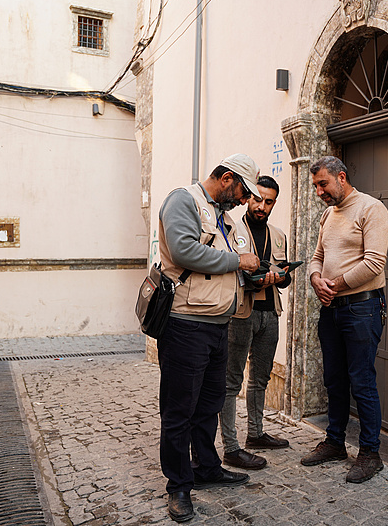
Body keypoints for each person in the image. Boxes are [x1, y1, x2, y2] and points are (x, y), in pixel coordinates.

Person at [156, 154, 262, 522]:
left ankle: (206, 468)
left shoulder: (224, 216)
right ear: (227, 177)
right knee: (178, 410)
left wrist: (258, 274)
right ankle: (179, 486)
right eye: (243, 192)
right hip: (186, 324)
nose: (245, 200)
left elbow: (224, 262)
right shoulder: (183, 200)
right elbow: (185, 250)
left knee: (209, 406)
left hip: (218, 325)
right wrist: (239, 262)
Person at [300, 155, 388, 484]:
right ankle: (335, 442)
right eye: (315, 186)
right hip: (332, 309)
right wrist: (315, 279)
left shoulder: (371, 209)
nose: (320, 191)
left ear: (341, 177)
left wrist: (334, 285)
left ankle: (370, 453)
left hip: (362, 308)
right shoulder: (327, 215)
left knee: (362, 381)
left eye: (323, 184)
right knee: (334, 379)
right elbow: (317, 257)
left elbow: (374, 262)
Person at [219, 175, 292, 470]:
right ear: (249, 197)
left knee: (261, 378)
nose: (262, 206)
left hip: (269, 313)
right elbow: (227, 271)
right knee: (231, 381)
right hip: (240, 314)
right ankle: (231, 447)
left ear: (274, 203)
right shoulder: (232, 229)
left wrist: (282, 276)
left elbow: (284, 278)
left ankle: (256, 434)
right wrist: (253, 279)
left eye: (269, 201)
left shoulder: (278, 235)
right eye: (258, 199)